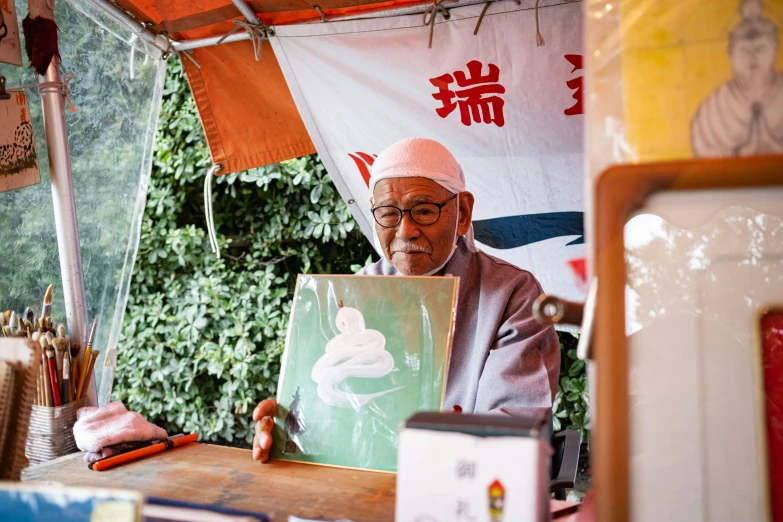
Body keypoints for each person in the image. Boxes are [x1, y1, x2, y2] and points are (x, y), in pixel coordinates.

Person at [251, 137, 560, 463]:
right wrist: (294, 425)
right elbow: (334, 405)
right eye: (388, 212)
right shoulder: (354, 294)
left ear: (463, 212)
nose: (405, 231)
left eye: (424, 211)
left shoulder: (513, 295)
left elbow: (514, 427)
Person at [691, 0, 783, 157]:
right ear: (731, 53)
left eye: (761, 48)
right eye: (744, 50)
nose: (753, 56)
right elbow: (705, 155)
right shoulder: (714, 108)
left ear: (775, 48)